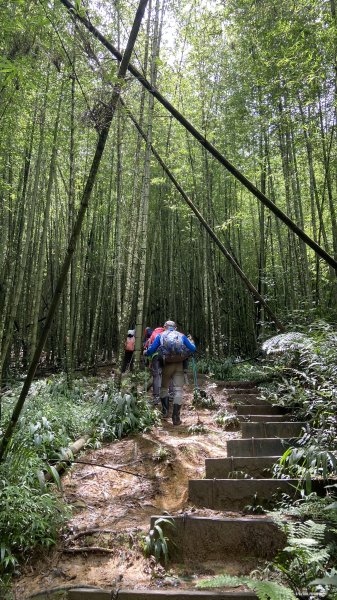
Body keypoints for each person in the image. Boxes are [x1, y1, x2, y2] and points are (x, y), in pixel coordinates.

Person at [144, 320, 196, 425]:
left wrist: (145, 352)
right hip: (179, 366)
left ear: (165, 327)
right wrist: (192, 342)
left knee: (164, 388)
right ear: (175, 327)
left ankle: (165, 411)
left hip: (166, 365)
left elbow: (152, 350)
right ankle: (176, 417)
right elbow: (192, 349)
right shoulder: (181, 336)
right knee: (178, 390)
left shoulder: (160, 335)